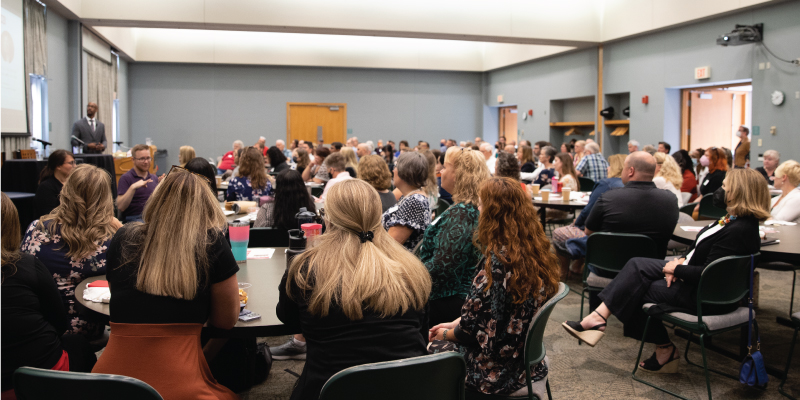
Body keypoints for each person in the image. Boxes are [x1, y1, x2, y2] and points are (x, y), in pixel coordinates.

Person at [564, 169, 769, 373]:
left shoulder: (739, 230)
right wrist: (680, 261)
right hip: (695, 279)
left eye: (725, 186)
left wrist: (678, 269)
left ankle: (662, 346)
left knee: (635, 289)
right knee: (636, 266)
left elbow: (709, 274)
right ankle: (599, 319)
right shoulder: (734, 221)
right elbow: (702, 253)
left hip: (705, 296)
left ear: (739, 192)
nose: (720, 190)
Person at [276, 179, 430, 400]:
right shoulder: (413, 269)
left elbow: (287, 319)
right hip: (407, 390)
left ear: (329, 219)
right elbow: (420, 334)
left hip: (328, 390)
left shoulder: (305, 268)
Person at [93, 168, 239, 400]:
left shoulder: (123, 238)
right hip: (179, 384)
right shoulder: (211, 242)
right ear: (206, 206)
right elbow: (225, 321)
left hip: (109, 380)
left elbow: (119, 298)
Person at [428, 177, 560, 397]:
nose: (478, 209)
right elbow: (486, 315)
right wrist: (453, 323)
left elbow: (471, 333)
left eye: (481, 204)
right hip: (526, 357)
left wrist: (444, 333)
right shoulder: (534, 249)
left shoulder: (498, 263)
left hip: (498, 370)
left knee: (430, 347)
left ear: (492, 213)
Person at [2, 193, 97, 397]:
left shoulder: (36, 238)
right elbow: (58, 321)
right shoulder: (25, 265)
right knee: (79, 346)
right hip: (35, 377)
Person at [21, 164, 122, 341]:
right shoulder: (108, 241)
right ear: (105, 198)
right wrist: (119, 228)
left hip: (38, 324)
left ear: (66, 191)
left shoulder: (36, 230)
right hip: (87, 327)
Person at [419, 148, 488, 326]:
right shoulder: (465, 208)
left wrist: (407, 276)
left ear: (458, 174)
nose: (441, 171)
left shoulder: (462, 214)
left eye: (445, 166)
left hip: (448, 299)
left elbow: (441, 268)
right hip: (453, 295)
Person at [583, 152, 679, 260]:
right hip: (651, 269)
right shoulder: (670, 200)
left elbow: (588, 231)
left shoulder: (608, 197)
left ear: (631, 171)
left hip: (607, 267)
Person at [552, 154, 626, 278]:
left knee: (559, 232)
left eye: (610, 166)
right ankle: (576, 266)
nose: (607, 168)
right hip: (623, 241)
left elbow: (589, 211)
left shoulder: (606, 184)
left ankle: (563, 273)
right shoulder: (631, 188)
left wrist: (578, 223)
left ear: (616, 167)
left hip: (600, 238)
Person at [383, 152, 431, 251]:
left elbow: (389, 245)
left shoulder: (414, 201)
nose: (392, 170)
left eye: (395, 166)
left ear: (404, 171)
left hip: (395, 262)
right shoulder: (411, 197)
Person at [117, 144, 158, 223]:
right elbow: (121, 207)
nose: (146, 162)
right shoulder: (126, 178)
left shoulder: (154, 178)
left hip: (152, 217)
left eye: (148, 158)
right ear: (133, 160)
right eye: (142, 159)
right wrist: (133, 187)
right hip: (134, 219)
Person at [34, 150, 76, 217]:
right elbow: (48, 214)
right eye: (71, 163)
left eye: (74, 162)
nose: (75, 166)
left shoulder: (74, 183)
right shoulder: (46, 187)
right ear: (58, 166)